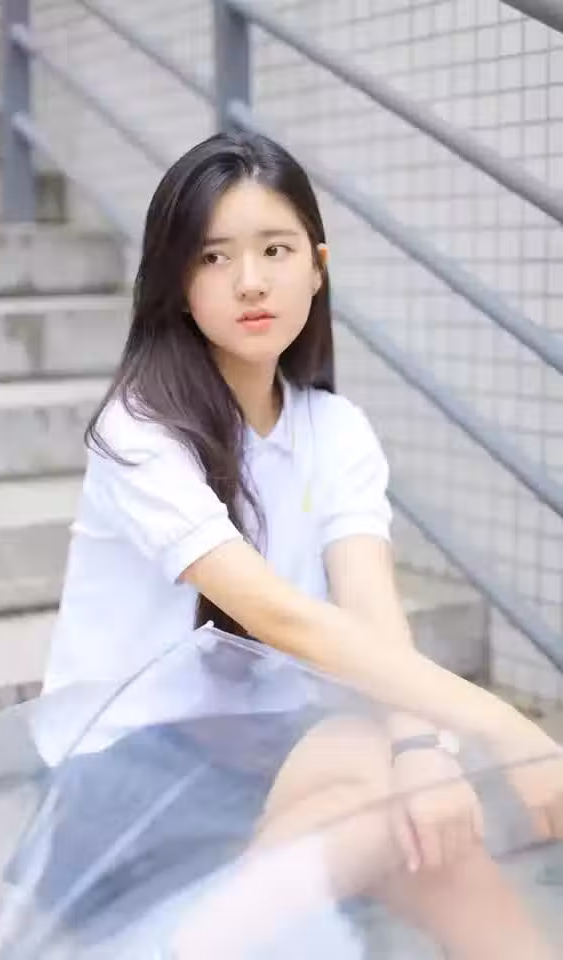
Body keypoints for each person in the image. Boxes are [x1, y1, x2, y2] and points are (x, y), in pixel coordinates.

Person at [37, 131, 562, 957]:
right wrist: (504, 728)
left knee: (412, 814)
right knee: (376, 779)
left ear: (317, 268)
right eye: (214, 257)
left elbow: (370, 610)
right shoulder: (140, 430)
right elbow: (284, 618)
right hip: (119, 771)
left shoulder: (334, 428)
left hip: (258, 753)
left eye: (275, 250)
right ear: (178, 285)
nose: (250, 281)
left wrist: (422, 747)